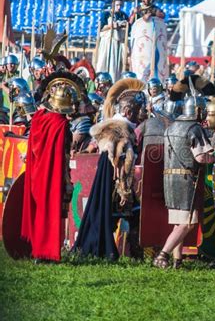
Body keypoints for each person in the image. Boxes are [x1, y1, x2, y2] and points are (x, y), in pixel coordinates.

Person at [73, 80, 147, 260]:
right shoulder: (118, 130)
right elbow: (119, 160)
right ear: (129, 112)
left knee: (120, 216)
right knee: (126, 215)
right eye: (139, 110)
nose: (142, 114)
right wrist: (123, 189)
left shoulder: (120, 127)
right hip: (116, 182)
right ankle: (113, 251)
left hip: (116, 181)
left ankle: (115, 251)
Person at [21, 72, 78, 262]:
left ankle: (38, 250)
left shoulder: (40, 118)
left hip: (36, 172)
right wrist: (66, 179)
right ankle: (46, 252)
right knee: (51, 211)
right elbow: (63, 155)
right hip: (52, 173)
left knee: (39, 210)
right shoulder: (61, 125)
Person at [153, 95, 214, 268]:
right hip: (186, 179)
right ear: (197, 110)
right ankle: (162, 255)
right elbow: (201, 157)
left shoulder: (171, 127)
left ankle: (177, 261)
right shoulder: (194, 128)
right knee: (187, 223)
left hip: (169, 179)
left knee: (180, 222)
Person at [96, 0, 129, 83]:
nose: (119, 7)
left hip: (118, 43)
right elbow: (101, 28)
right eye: (117, 5)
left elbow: (128, 27)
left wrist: (123, 25)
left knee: (116, 67)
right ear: (113, 5)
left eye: (120, 5)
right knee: (104, 63)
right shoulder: (106, 14)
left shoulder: (123, 15)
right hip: (108, 42)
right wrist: (111, 26)